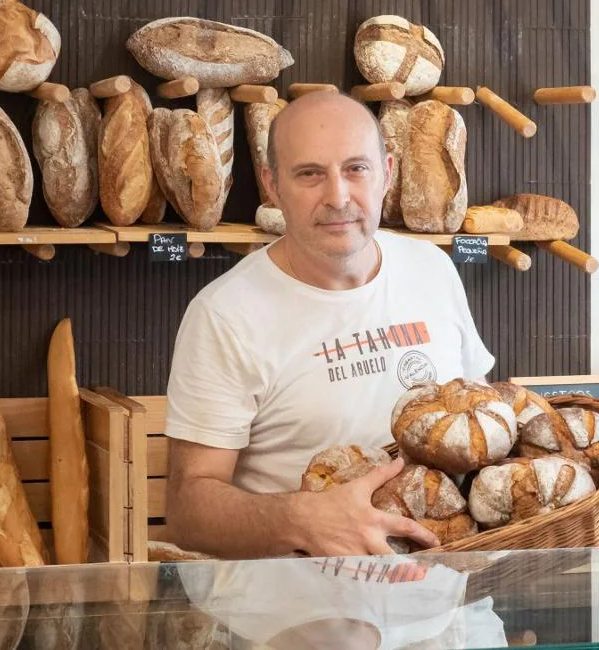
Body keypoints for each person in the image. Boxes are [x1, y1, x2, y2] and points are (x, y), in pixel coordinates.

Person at [163, 91, 495, 559]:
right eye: (310, 174)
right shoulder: (225, 314)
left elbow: (479, 425)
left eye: (356, 169)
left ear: (388, 173)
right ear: (272, 185)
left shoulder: (431, 269)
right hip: (302, 617)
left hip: (451, 607)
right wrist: (301, 519)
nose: (337, 197)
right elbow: (187, 512)